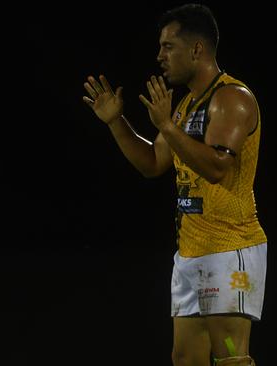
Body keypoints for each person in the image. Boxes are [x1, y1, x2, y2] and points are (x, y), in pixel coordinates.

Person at [82, 4, 266, 366]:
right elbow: (153, 163)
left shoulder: (232, 98)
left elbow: (217, 167)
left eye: (168, 47)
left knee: (231, 357)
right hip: (191, 252)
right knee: (185, 359)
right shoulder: (185, 106)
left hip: (230, 248)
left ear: (196, 50)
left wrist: (167, 127)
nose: (159, 56)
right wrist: (116, 122)